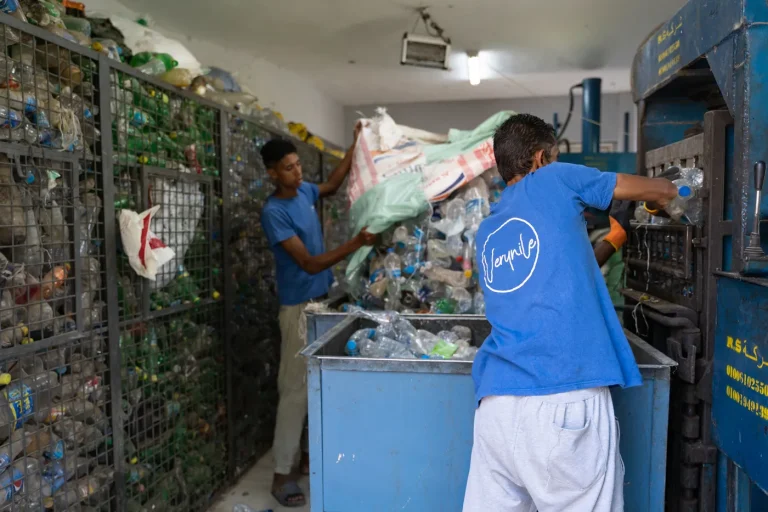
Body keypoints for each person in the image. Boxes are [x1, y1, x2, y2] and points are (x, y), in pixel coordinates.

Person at [463, 114, 678, 512]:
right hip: (561, 397)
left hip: (496, 406)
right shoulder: (553, 178)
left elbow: (560, 271)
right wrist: (666, 194)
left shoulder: (489, 230)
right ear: (541, 158)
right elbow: (658, 189)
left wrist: (613, 239)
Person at [260, 133, 376, 508]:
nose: (297, 173)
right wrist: (356, 243)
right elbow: (308, 263)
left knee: (316, 387)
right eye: (288, 168)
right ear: (272, 173)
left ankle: (308, 458)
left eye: (298, 165)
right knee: (294, 392)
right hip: (299, 310)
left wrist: (355, 145)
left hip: (321, 303)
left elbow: (332, 185)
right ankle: (282, 474)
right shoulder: (274, 212)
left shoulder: (305, 192)